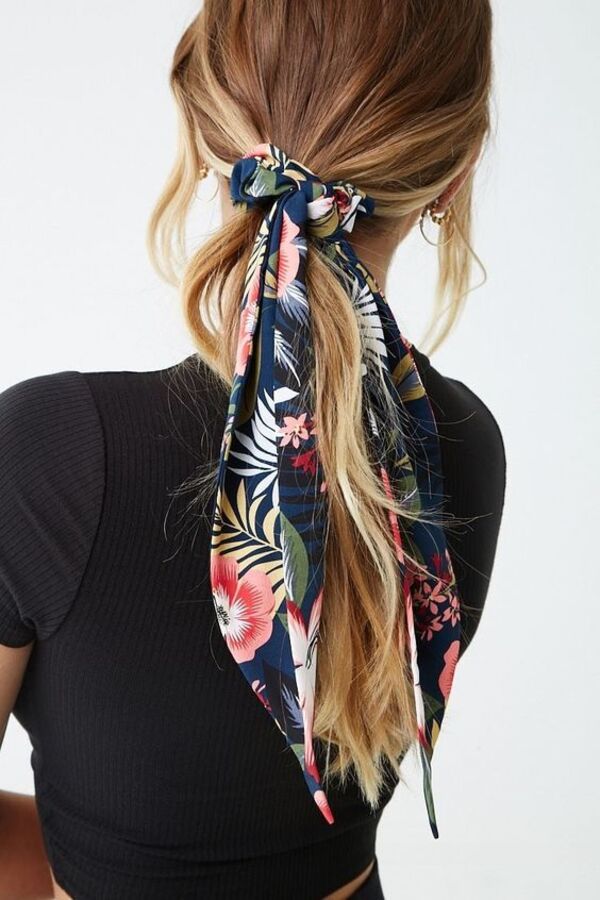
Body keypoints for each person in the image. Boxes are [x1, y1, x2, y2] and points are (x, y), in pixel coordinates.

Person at [0, 2, 505, 898]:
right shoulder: (458, 447)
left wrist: (100, 849)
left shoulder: (50, 454)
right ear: (453, 176)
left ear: (205, 136)